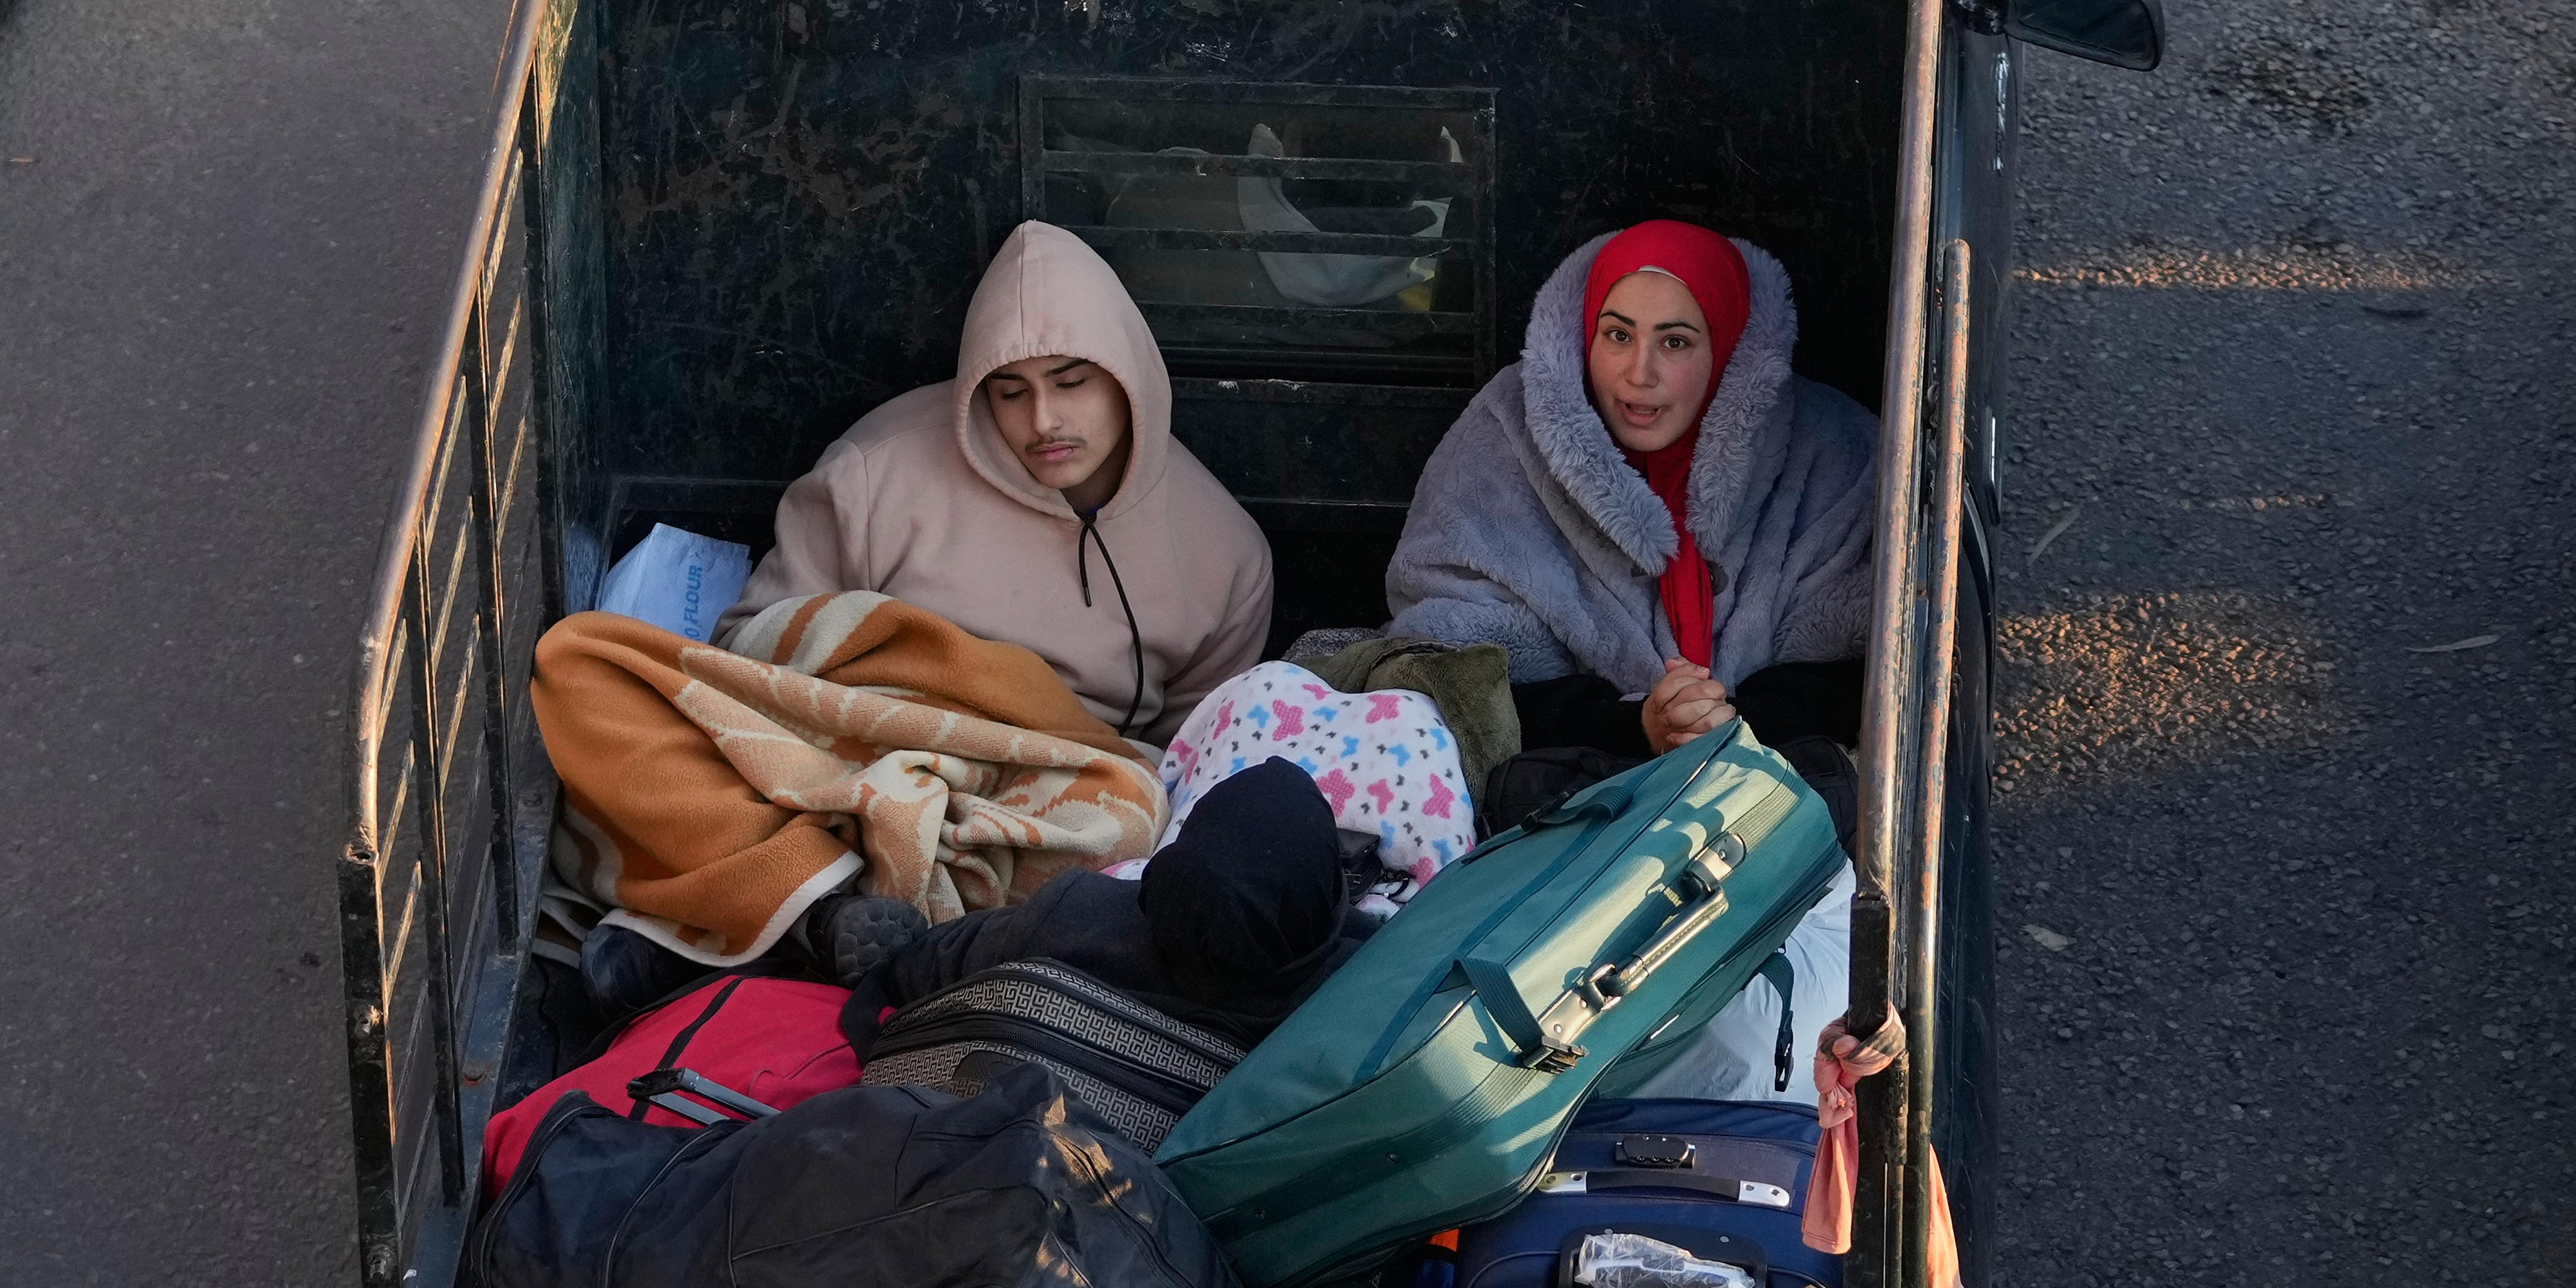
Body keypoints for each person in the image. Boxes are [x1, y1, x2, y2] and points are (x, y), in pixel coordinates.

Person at [729, 220, 1273, 746]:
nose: (1043, 421)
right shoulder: (871, 476)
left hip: (1087, 797)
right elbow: (745, 652)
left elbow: (1194, 758)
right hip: (877, 758)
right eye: (1011, 393)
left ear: (1130, 378)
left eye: (1071, 382)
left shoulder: (1226, 553)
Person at [1383, 219, 1879, 767]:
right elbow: (1452, 679)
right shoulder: (1503, 439)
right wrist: (1638, 726)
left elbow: (1875, 671)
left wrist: (1730, 722)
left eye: (1675, 341)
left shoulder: (1833, 450)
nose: (1640, 373)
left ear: (1731, 345)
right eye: (1618, 335)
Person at [840, 759, 1370, 1048]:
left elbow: (927, 963)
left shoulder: (1078, 914)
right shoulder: (1360, 983)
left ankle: (817, 921)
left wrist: (900, 965)